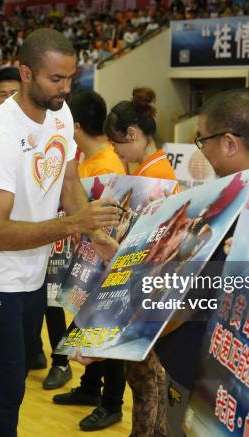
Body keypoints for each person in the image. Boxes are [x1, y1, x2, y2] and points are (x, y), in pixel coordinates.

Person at [0, 28, 120, 437]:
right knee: (5, 388)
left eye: (71, 79)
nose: (65, 89)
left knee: (18, 380)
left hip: (33, 274)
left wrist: (95, 234)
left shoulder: (61, 114)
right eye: (56, 79)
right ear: (26, 73)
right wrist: (73, 225)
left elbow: (68, 184)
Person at [153, 88, 249, 436]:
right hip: (224, 370)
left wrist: (133, 335)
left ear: (230, 143)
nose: (201, 150)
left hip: (198, 369)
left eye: (202, 140)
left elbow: (193, 301)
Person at [51, 90, 128, 431]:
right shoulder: (87, 161)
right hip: (86, 257)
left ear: (75, 125)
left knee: (103, 333)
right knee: (86, 326)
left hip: (104, 261)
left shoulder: (108, 167)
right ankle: (88, 388)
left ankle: (111, 402)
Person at [103, 86, 177, 437]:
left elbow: (150, 244)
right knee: (143, 376)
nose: (114, 152)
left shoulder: (156, 177)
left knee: (147, 377)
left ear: (132, 134)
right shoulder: (151, 169)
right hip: (146, 283)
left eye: (116, 144)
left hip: (149, 285)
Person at [105, 87, 176, 181]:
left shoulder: (154, 176)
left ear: (131, 134)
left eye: (114, 144)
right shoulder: (150, 168)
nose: (114, 150)